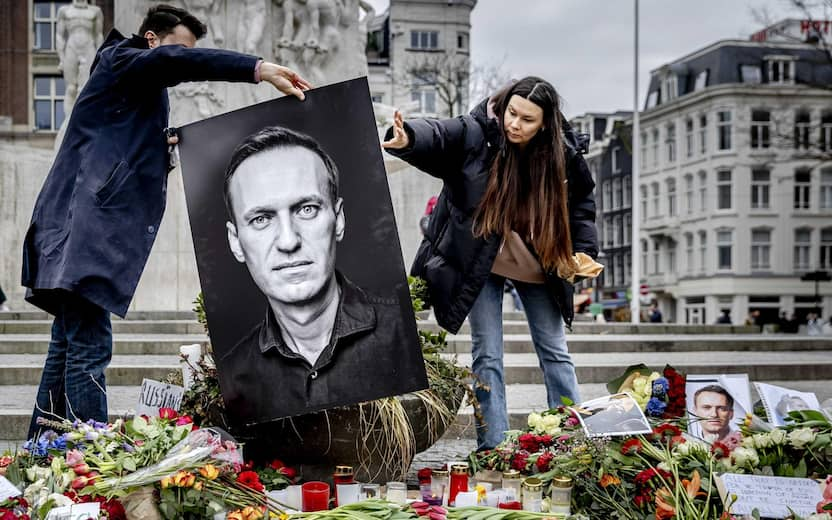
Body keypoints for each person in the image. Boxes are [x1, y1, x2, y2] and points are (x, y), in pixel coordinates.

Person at [22, 4, 311, 440]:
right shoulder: (122, 57)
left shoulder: (131, 88)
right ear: (152, 40)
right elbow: (173, 62)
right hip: (84, 230)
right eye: (179, 47)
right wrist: (258, 68)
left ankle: (42, 447)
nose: (183, 59)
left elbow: (119, 143)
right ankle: (90, 450)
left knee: (67, 343)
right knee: (89, 347)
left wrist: (165, 146)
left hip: (76, 228)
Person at [382, 77, 599, 450]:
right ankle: (493, 447)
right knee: (487, 352)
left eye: (527, 120)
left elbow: (581, 206)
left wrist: (585, 251)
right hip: (481, 260)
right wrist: (407, 138)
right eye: (512, 113)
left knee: (554, 350)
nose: (514, 124)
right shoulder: (477, 131)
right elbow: (439, 134)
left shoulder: (564, 153)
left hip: (540, 260)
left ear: (544, 124)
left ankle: (570, 440)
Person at [219, 126, 418, 424]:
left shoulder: (404, 341)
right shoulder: (231, 374)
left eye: (307, 210)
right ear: (236, 242)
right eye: (261, 219)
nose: (288, 241)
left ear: (338, 220)